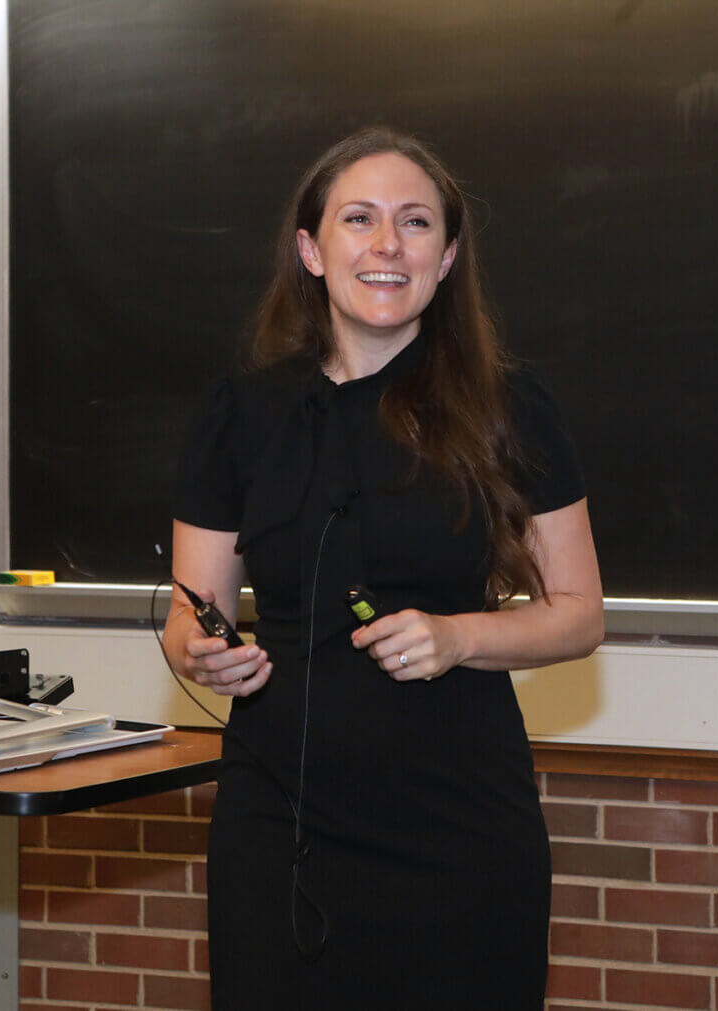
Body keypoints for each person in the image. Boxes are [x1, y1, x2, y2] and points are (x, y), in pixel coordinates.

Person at [164, 126, 603, 1010]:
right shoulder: (241, 414)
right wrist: (200, 652)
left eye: (415, 223)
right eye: (359, 219)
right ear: (311, 250)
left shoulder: (512, 405)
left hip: (461, 829)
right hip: (278, 821)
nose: (387, 245)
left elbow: (580, 614)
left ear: (446, 259)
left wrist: (458, 636)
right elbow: (189, 614)